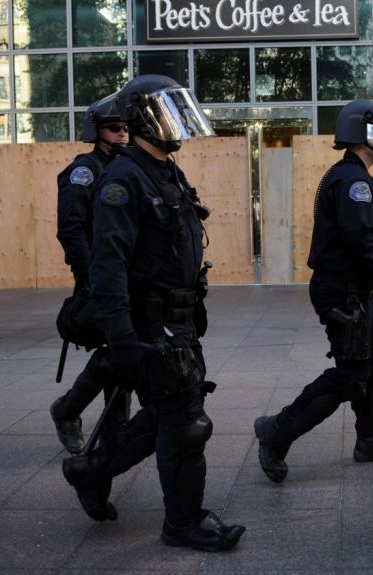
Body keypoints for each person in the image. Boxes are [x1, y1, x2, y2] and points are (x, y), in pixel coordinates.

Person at [59, 74, 244, 551]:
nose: (175, 123)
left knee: (168, 415)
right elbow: (108, 265)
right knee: (186, 424)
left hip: (176, 320)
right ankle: (183, 523)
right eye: (165, 113)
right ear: (142, 119)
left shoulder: (165, 170)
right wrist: (121, 336)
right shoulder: (123, 178)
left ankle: (90, 469)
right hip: (147, 323)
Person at [252, 100, 373, 484]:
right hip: (343, 290)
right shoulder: (353, 181)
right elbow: (360, 238)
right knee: (351, 375)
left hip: (350, 288)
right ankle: (276, 432)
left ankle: (370, 441)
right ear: (365, 133)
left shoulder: (350, 176)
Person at [49, 93, 131, 454]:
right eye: (115, 129)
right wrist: (90, 277)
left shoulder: (127, 169)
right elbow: (71, 228)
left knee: (126, 348)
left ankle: (114, 432)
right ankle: (69, 410)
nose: (123, 135)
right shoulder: (86, 170)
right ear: (96, 131)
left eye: (128, 129)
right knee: (116, 348)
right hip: (101, 277)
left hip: (128, 276)